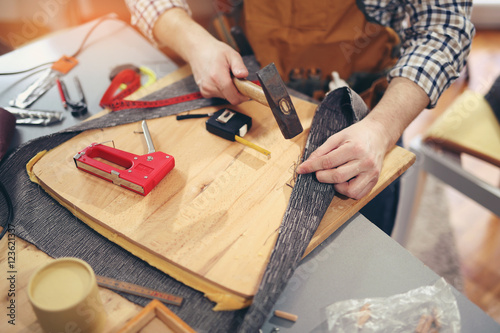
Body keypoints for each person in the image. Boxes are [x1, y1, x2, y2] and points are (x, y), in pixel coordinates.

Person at [124, 0, 475, 235]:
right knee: (242, 237)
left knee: (352, 265)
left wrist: (382, 128)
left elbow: (444, 31)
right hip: (248, 92)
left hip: (365, 118)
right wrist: (193, 42)